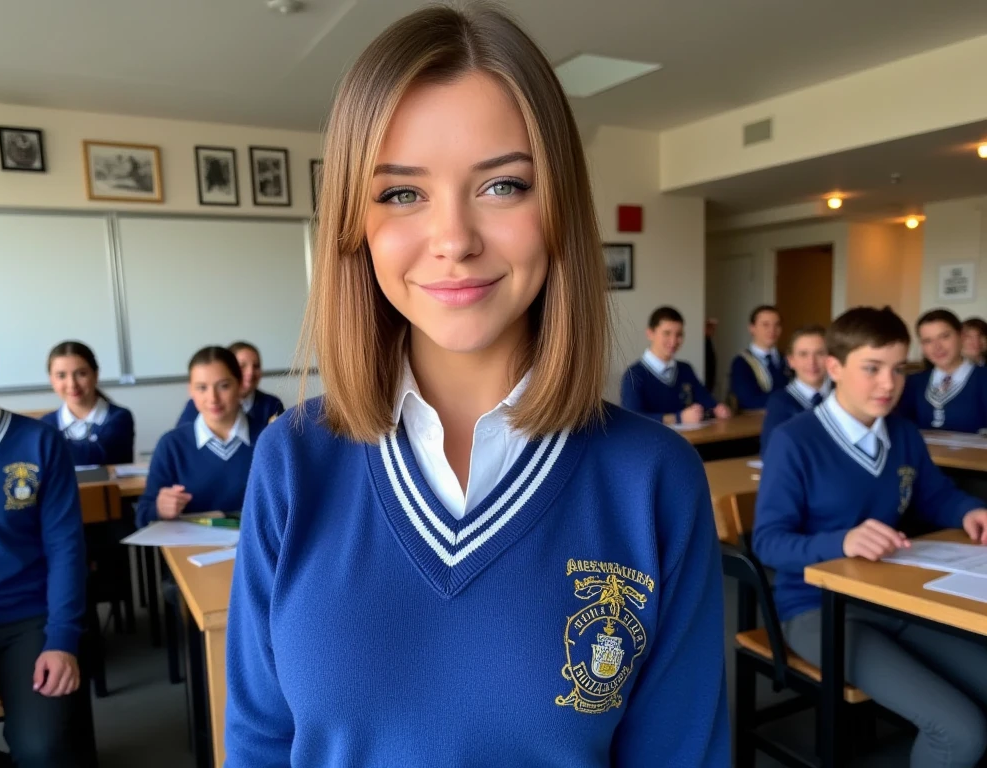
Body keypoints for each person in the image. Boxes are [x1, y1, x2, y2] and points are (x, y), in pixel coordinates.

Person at [224, 6, 729, 767]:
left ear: (559, 209)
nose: (454, 238)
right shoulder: (293, 460)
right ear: (352, 227)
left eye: (503, 185)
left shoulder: (654, 478)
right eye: (400, 194)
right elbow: (262, 741)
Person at [753, 306, 987, 768]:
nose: (888, 384)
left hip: (893, 596)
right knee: (960, 732)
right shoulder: (794, 440)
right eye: (872, 368)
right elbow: (768, 542)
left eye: (899, 369)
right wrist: (840, 542)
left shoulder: (902, 433)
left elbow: (935, 495)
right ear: (834, 367)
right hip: (817, 610)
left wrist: (971, 510)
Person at [0, 321, 86, 767]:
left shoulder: (38, 442)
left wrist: (62, 640)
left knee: (42, 749)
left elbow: (66, 549)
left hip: (30, 622)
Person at [137, 347, 257, 528]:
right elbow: (142, 516)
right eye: (202, 388)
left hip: (254, 549)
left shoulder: (266, 438)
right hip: (189, 552)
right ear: (190, 391)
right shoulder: (172, 445)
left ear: (240, 385)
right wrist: (159, 509)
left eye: (224, 386)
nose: (213, 398)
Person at [620, 306, 731, 424]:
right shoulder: (634, 375)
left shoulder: (685, 369)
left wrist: (718, 408)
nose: (673, 341)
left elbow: (707, 401)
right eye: (667, 333)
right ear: (650, 333)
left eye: (679, 335)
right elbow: (633, 419)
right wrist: (678, 418)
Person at [40, 341, 135, 466]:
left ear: (95, 375)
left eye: (81, 374)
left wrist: (46, 446)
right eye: (61, 375)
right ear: (51, 380)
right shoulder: (46, 424)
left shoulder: (119, 417)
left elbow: (98, 456)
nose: (72, 384)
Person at [898, 309, 987, 434]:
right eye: (927, 341)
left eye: (944, 336)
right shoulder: (913, 383)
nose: (937, 347)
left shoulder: (983, 378)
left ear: (961, 336)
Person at [176, 341, 283, 431]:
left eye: (256, 366)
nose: (250, 372)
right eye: (242, 366)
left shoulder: (272, 404)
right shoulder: (199, 405)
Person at [759, 325, 832, 454]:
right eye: (803, 354)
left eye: (820, 353)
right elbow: (772, 450)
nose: (812, 362)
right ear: (791, 361)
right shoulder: (780, 402)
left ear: (831, 359)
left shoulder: (843, 398)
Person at [728, 305, 789, 410]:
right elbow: (749, 401)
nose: (772, 330)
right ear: (752, 328)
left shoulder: (789, 359)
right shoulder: (741, 362)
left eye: (777, 325)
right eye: (765, 325)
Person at [704, 317, 718, 393]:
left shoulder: (709, 342)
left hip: (710, 382)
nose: (713, 330)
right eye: (710, 328)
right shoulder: (703, 344)